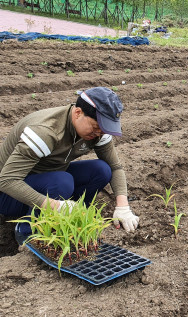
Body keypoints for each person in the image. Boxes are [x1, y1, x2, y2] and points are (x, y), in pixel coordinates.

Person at [0, 87, 140, 233]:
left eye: (104, 129)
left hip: (46, 180)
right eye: (96, 127)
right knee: (61, 181)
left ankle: (74, 218)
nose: (99, 133)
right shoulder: (46, 132)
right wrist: (55, 205)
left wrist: (123, 207)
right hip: (8, 194)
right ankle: (27, 231)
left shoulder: (97, 132)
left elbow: (115, 167)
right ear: (78, 113)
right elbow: (7, 180)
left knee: (101, 170)